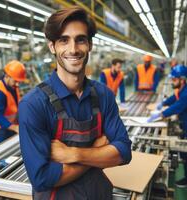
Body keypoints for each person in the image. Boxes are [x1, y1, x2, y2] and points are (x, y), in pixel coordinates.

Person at [19, 6, 132, 200]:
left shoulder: (103, 94)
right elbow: (42, 178)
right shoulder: (33, 104)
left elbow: (123, 151)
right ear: (52, 46)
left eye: (80, 39)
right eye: (64, 40)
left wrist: (74, 154)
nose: (73, 49)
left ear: (90, 45)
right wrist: (97, 153)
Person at [147, 65, 187, 187]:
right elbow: (174, 98)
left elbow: (178, 106)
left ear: (182, 79)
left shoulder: (186, 93)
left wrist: (161, 113)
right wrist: (163, 103)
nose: (172, 81)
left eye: (174, 79)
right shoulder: (182, 90)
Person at [0, 60, 26, 145]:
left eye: (19, 82)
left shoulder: (13, 86)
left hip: (11, 126)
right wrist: (16, 128)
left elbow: (15, 107)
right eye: (16, 81)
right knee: (4, 156)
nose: (17, 84)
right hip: (0, 131)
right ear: (7, 76)